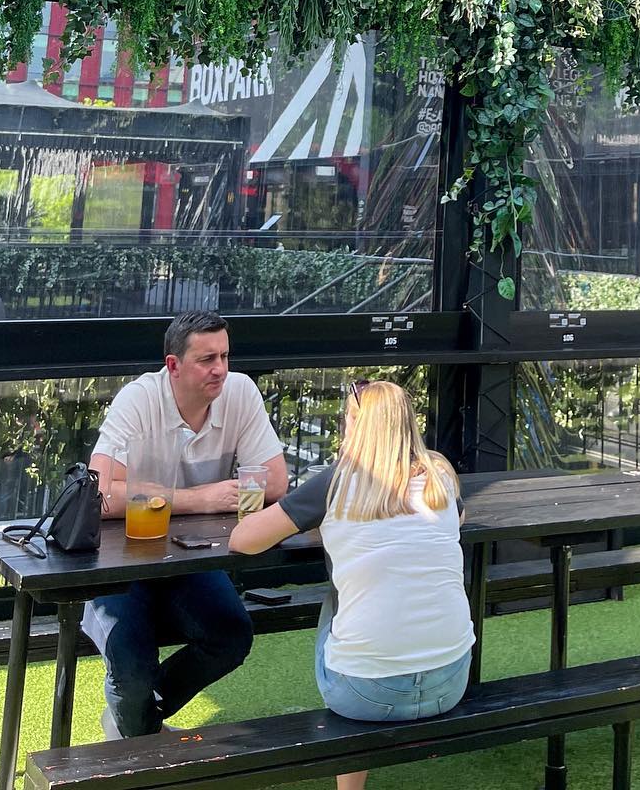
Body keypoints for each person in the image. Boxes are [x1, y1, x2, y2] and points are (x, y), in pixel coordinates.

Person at [230, 379, 473, 790]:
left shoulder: (336, 482)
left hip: (363, 694)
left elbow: (244, 540)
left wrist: (327, 528)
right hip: (449, 683)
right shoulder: (439, 478)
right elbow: (457, 521)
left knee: (341, 598)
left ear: (356, 423)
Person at [84, 310, 288, 740]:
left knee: (231, 635)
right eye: (207, 359)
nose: (221, 369)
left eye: (225, 356)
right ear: (173, 365)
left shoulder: (240, 392)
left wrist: (242, 496)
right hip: (120, 555)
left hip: (189, 554)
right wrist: (202, 498)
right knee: (131, 659)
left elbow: (276, 480)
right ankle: (137, 735)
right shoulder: (139, 399)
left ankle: (134, 723)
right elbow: (100, 494)